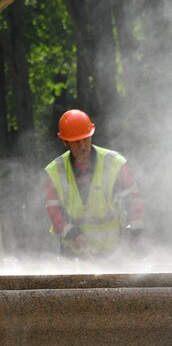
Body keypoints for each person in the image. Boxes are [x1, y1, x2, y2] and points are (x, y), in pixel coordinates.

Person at [44, 109, 145, 259]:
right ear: (65, 142)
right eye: (76, 142)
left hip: (113, 250)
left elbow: (134, 199)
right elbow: (53, 209)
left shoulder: (114, 162)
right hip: (73, 253)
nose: (82, 145)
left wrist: (136, 233)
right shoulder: (55, 170)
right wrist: (74, 235)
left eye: (86, 139)